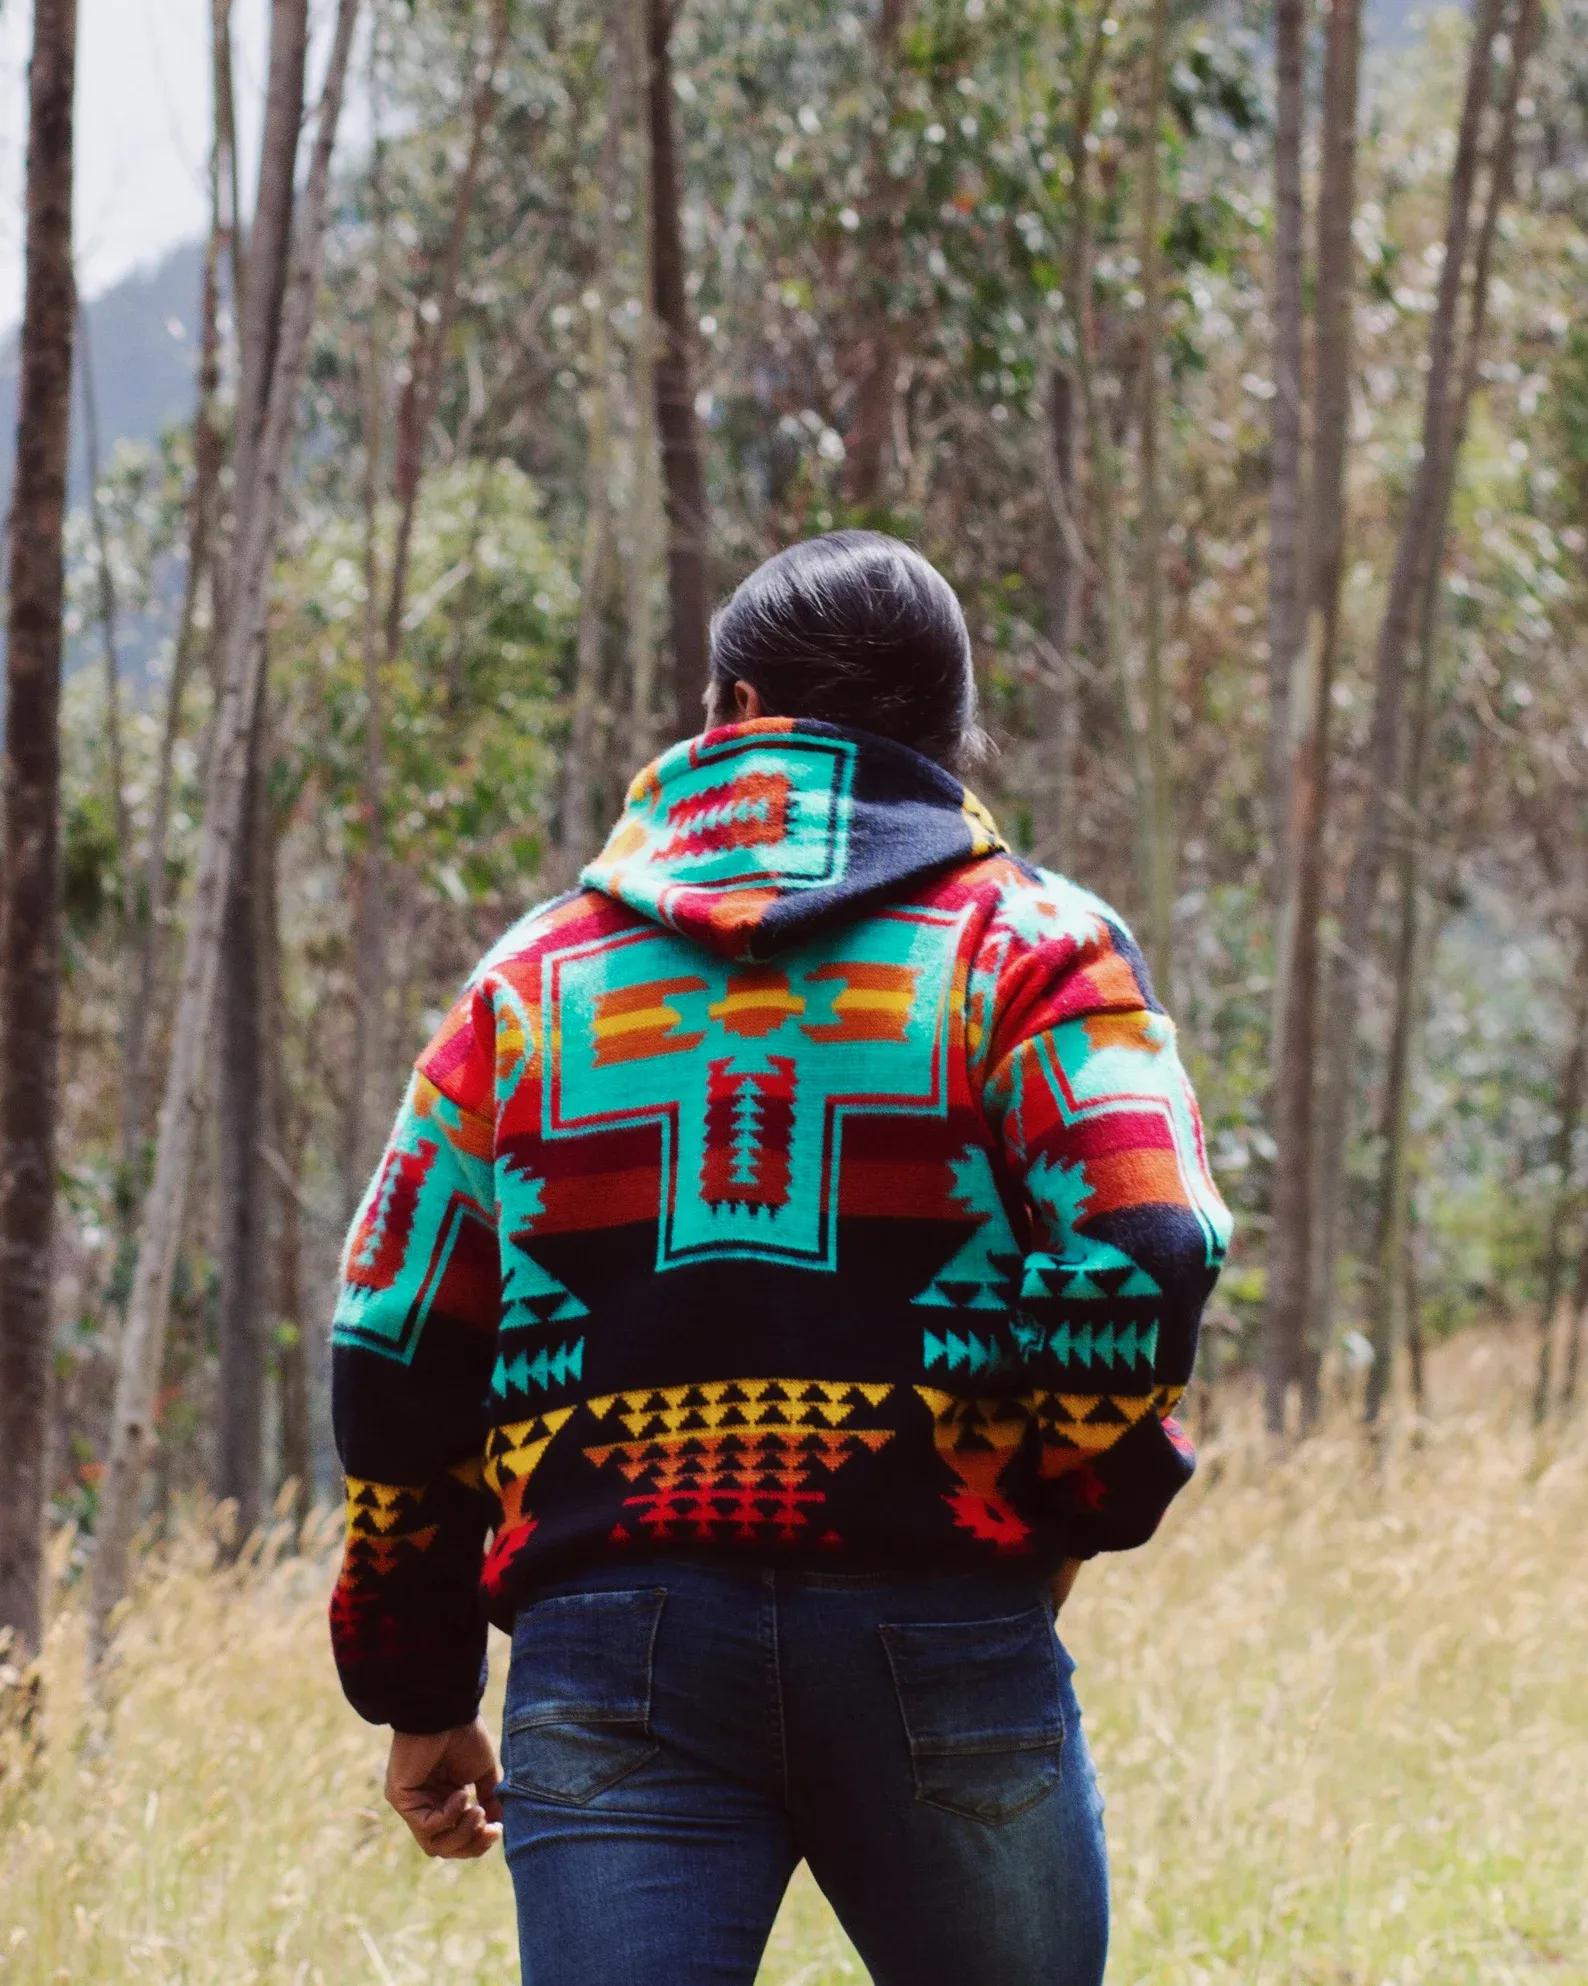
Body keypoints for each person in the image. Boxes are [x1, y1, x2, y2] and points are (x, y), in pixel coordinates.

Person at [329, 531, 1231, 1985]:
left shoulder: (531, 983)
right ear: (949, 729)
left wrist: (419, 1682)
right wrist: (1069, 1499)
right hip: (940, 1617)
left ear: (735, 709)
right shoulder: (1031, 949)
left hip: (611, 1648)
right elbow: (1146, 1237)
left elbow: (395, 1339)